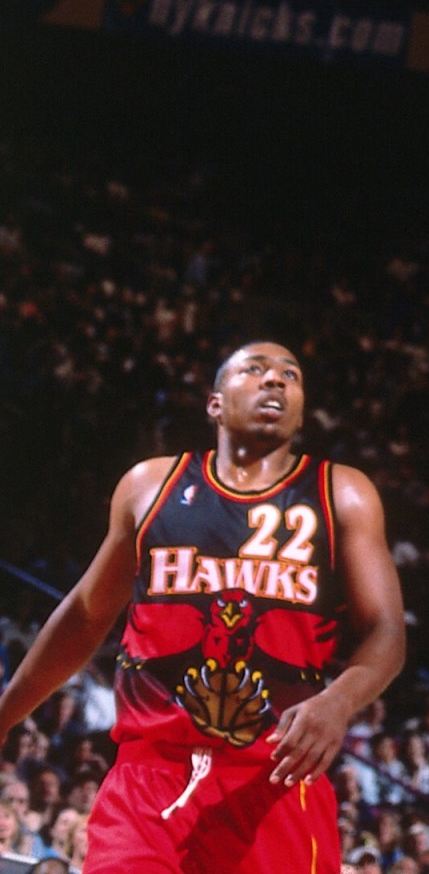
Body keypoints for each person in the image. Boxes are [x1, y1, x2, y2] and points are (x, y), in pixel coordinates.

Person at [0, 343, 406, 874]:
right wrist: (5, 715)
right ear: (214, 403)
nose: (276, 382)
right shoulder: (150, 486)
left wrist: (339, 701)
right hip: (150, 778)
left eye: (291, 375)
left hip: (273, 780)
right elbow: (85, 616)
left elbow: (386, 632)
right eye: (256, 370)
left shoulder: (343, 494)